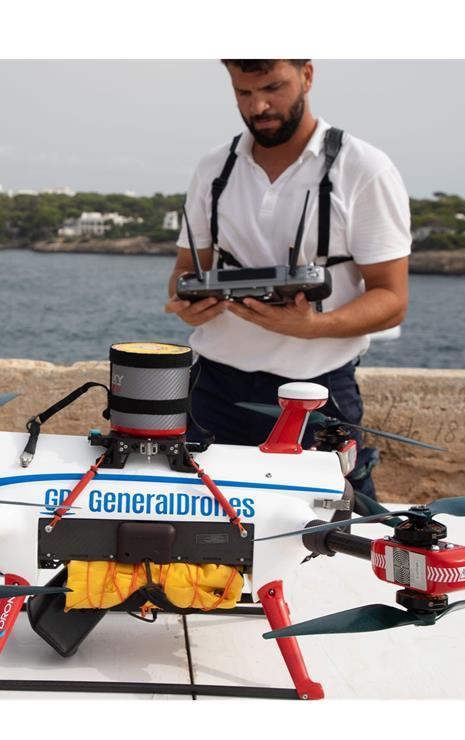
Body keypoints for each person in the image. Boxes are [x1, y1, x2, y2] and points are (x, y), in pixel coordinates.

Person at [165, 59, 411, 499]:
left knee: (329, 530)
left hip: (316, 393)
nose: (259, 105)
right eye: (243, 93)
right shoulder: (213, 169)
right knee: (199, 530)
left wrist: (311, 327)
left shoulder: (363, 169)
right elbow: (185, 272)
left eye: (273, 88)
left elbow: (392, 298)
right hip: (211, 390)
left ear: (307, 76)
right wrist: (187, 304)